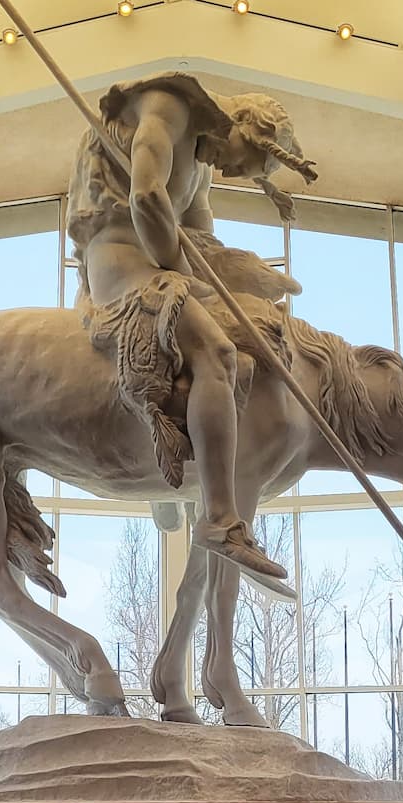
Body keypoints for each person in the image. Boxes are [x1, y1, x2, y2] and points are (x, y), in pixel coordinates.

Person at [67, 73, 317, 597]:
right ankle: (221, 519)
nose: (229, 170)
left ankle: (181, 456)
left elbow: (200, 236)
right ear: (245, 130)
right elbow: (148, 202)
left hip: (160, 261)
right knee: (217, 350)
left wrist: (232, 277)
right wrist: (191, 280)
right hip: (118, 256)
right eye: (241, 162)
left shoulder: (201, 166)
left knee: (248, 344)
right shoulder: (167, 109)